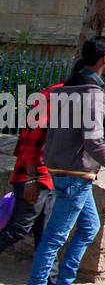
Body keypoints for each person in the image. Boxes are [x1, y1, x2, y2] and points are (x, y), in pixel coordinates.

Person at [28, 37, 105, 285]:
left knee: (89, 227)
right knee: (55, 236)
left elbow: (54, 133)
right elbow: (93, 142)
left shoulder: (64, 90)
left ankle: (64, 283)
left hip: (65, 170)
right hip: (75, 174)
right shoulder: (92, 95)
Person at [0, 83, 60, 257]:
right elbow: (32, 141)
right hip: (38, 176)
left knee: (46, 237)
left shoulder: (52, 92)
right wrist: (33, 178)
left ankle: (49, 282)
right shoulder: (58, 96)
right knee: (18, 229)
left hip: (45, 175)